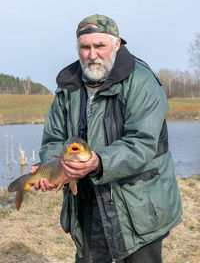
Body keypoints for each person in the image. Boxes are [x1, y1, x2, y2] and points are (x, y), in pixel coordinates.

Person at [32, 14, 182, 263]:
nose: (92, 55)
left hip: (139, 207)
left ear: (116, 44)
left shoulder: (143, 82)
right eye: (85, 47)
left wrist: (98, 161)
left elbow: (141, 143)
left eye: (99, 46)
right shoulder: (67, 86)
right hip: (87, 207)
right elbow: (52, 140)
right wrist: (52, 167)